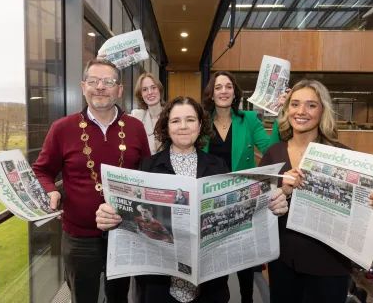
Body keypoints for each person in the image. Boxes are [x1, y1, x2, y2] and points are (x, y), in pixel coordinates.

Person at [96, 96, 289, 303]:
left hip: (210, 285)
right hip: (159, 286)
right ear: (166, 127)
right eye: (175, 121)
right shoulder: (147, 167)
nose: (183, 127)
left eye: (190, 120)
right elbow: (130, 222)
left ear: (200, 125)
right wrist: (110, 219)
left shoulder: (218, 166)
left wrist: (271, 204)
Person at [258, 79, 373, 303]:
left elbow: (363, 214)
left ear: (322, 111)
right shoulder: (273, 153)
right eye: (295, 104)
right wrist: (284, 192)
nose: (301, 111)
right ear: (287, 109)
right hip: (283, 264)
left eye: (311, 105)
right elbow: (258, 208)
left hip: (329, 266)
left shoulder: (344, 156)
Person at [32, 59, 151, 303]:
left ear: (119, 90)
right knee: (82, 297)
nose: (100, 87)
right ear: (83, 86)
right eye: (94, 81)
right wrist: (51, 191)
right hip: (78, 239)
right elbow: (42, 170)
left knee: (118, 297)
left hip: (125, 234)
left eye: (108, 82)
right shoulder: (62, 128)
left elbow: (146, 175)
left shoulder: (136, 127)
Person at [202, 71, 287, 303]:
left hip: (243, 198)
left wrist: (279, 117)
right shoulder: (201, 120)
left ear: (234, 92)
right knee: (214, 261)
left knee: (245, 261)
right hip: (212, 200)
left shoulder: (248, 119)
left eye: (228, 86)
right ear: (211, 93)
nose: (223, 91)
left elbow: (271, 148)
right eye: (218, 87)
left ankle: (247, 299)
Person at [131, 73, 165, 155]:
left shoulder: (172, 115)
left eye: (153, 87)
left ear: (159, 90)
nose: (150, 92)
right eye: (145, 89)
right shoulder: (136, 117)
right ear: (141, 95)